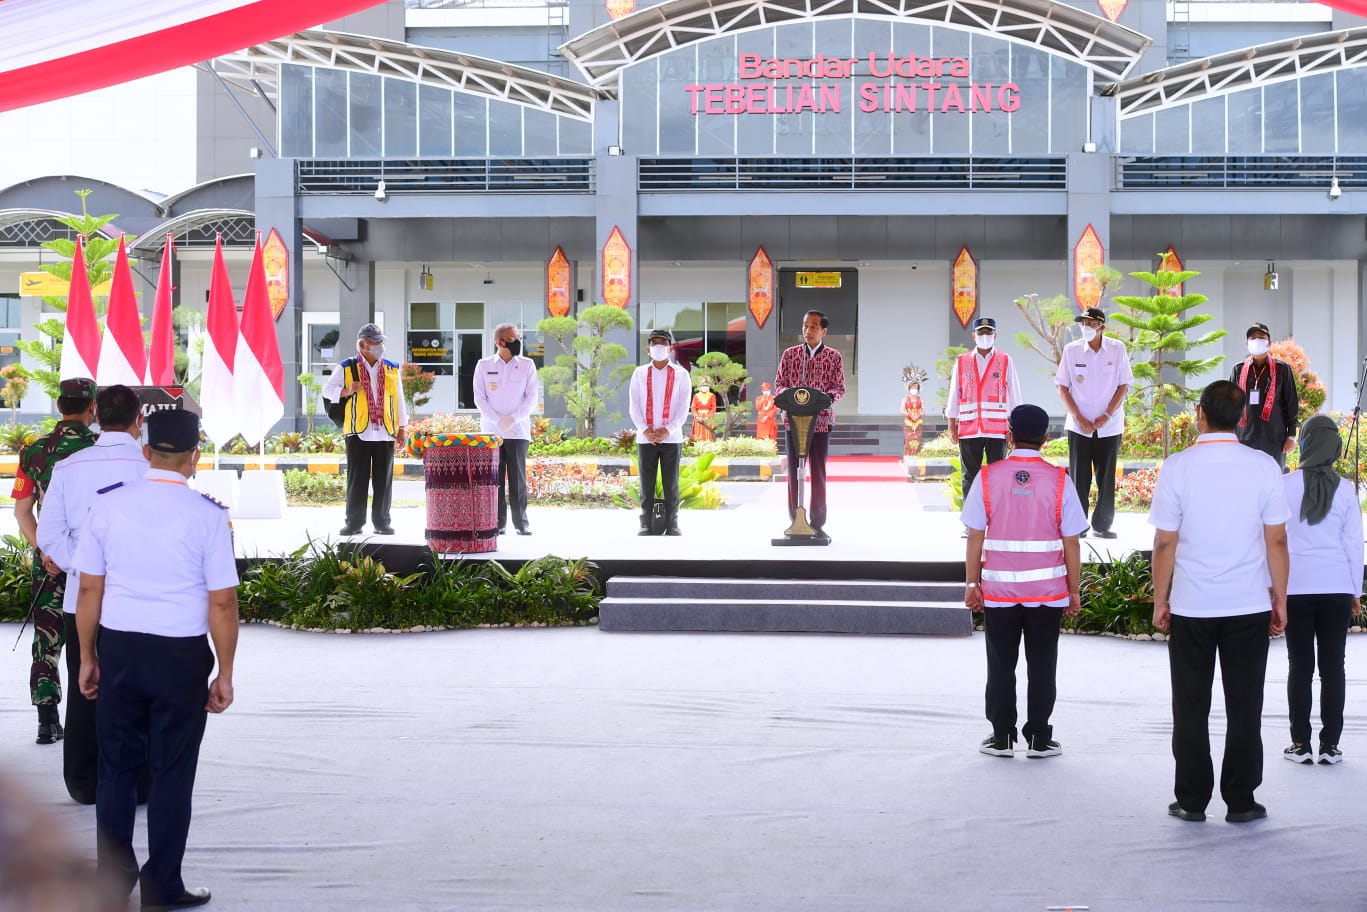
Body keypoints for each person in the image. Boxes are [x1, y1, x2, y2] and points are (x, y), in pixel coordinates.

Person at [75, 409, 238, 911]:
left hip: (120, 648)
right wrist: (224, 672)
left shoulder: (107, 507)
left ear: (145, 452)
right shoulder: (207, 516)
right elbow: (223, 603)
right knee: (171, 771)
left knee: (116, 767)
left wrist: (86, 655)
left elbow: (89, 588)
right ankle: (162, 883)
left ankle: (112, 875)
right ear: (194, 457)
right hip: (179, 656)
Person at [1149, 380, 1289, 824]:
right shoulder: (1264, 466)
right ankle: (1242, 800)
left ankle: (1191, 800)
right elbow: (1278, 540)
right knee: (1244, 703)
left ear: (1199, 413)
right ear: (1243, 418)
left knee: (1190, 705)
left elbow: (1164, 544)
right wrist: (1280, 600)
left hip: (1192, 605)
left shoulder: (1178, 466)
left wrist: (1160, 600)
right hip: (1247, 605)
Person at [37, 385, 149, 805]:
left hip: (81, 598)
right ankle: (138, 783)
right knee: (137, 690)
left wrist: (86, 566)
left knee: (86, 691)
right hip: (137, 599)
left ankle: (84, 782)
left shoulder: (68, 466)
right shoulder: (149, 466)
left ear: (96, 416)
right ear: (139, 418)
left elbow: (49, 535)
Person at [963, 404, 1086, 759]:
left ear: (1009, 436)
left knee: (1001, 664)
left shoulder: (988, 477)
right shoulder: (1060, 480)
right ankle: (1038, 738)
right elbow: (1072, 541)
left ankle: (1001, 737)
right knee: (1043, 663)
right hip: (1047, 593)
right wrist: (1074, 591)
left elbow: (974, 535)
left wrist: (972, 584)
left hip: (999, 592)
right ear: (1046, 439)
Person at [11, 376, 98, 745]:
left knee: (47, 638)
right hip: (93, 562)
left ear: (59, 405)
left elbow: (22, 512)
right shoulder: (99, 448)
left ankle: (47, 720)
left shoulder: (34, 452)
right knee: (95, 636)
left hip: (49, 562)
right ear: (91, 407)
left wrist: (46, 551)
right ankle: (94, 714)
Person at [1281, 415, 1362, 765]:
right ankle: (1330, 745)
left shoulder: (1284, 485)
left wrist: (1272, 587)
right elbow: (1354, 545)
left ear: (1304, 443)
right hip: (1337, 588)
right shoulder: (1345, 489)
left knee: (1299, 665)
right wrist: (1355, 591)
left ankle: (1300, 744)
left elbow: (1274, 540)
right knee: (1334, 667)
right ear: (1335, 446)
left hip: (1296, 586)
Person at [1055, 307, 1133, 539]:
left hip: (1109, 425)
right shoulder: (1072, 350)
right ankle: (1078, 525)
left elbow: (1123, 385)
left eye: (1091, 324)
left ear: (1102, 327)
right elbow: (1062, 387)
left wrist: (1107, 415)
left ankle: (1103, 524)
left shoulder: (1117, 350)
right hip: (1079, 425)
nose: (1086, 328)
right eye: (1083, 324)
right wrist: (1079, 417)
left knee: (1106, 477)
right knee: (1079, 477)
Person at [323, 323, 407, 536]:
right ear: (362, 344)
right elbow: (327, 390)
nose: (380, 346)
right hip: (358, 431)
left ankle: (382, 522)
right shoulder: (347, 367)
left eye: (381, 342)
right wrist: (346, 390)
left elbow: (399, 399)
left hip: (385, 431)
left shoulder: (391, 367)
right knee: (357, 479)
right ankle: (354, 523)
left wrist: (402, 428)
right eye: (375, 342)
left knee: (383, 481)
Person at [774, 310, 846, 541]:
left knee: (818, 473)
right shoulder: (790, 355)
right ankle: (795, 520)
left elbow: (839, 388)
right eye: (805, 325)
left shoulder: (834, 357)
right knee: (795, 472)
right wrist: (787, 396)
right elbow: (780, 385)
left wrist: (828, 398)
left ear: (824, 331)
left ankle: (817, 522)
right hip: (793, 423)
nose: (808, 330)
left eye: (814, 326)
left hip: (821, 424)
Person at [947, 317, 1022, 517]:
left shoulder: (1005, 360)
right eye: (981, 333)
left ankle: (996, 519)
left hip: (997, 430)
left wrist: (1016, 429)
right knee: (970, 476)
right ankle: (972, 520)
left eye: (988, 333)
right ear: (974, 336)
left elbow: (1015, 396)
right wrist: (951, 426)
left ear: (995, 335)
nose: (985, 336)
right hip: (969, 429)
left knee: (997, 477)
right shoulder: (962, 361)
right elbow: (954, 394)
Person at [473, 323, 538, 536]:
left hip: (518, 431)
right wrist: (498, 420)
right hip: (492, 432)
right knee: (495, 479)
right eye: (513, 338)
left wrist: (514, 419)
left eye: (518, 336)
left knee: (518, 479)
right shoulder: (483, 365)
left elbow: (532, 397)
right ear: (500, 342)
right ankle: (497, 522)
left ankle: (522, 523)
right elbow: (479, 398)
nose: (518, 341)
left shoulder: (527, 365)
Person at [628, 329, 692, 536]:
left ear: (670, 348)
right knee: (646, 483)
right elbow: (634, 405)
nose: (659, 347)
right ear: (648, 349)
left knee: (671, 483)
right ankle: (645, 523)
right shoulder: (639, 373)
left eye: (663, 343)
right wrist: (646, 430)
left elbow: (684, 408)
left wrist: (667, 430)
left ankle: (673, 523)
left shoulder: (682, 374)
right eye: (654, 343)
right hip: (645, 438)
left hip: (671, 438)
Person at [1229, 322, 1299, 468]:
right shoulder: (1238, 370)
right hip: (1244, 438)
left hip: (1274, 439)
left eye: (1261, 337)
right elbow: (1230, 405)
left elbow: (1291, 405)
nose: (1257, 341)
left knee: (1273, 481)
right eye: (1253, 338)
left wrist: (1291, 436)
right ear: (1247, 343)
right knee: (1246, 481)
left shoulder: (1282, 370)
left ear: (1269, 343)